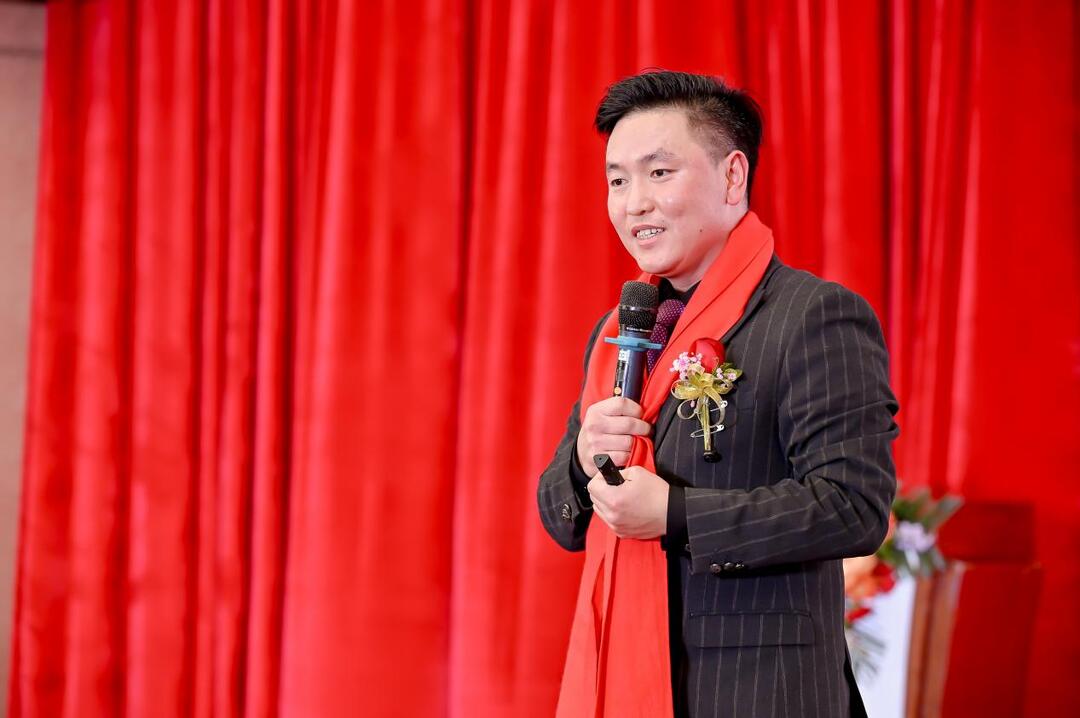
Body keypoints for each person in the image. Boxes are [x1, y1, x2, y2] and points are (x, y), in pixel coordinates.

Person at [537, 70, 898, 718]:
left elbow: (854, 507)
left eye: (658, 173)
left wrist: (675, 514)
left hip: (759, 693)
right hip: (619, 678)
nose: (634, 203)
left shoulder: (812, 316)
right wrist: (585, 460)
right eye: (617, 181)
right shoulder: (624, 330)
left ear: (733, 177)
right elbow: (559, 516)